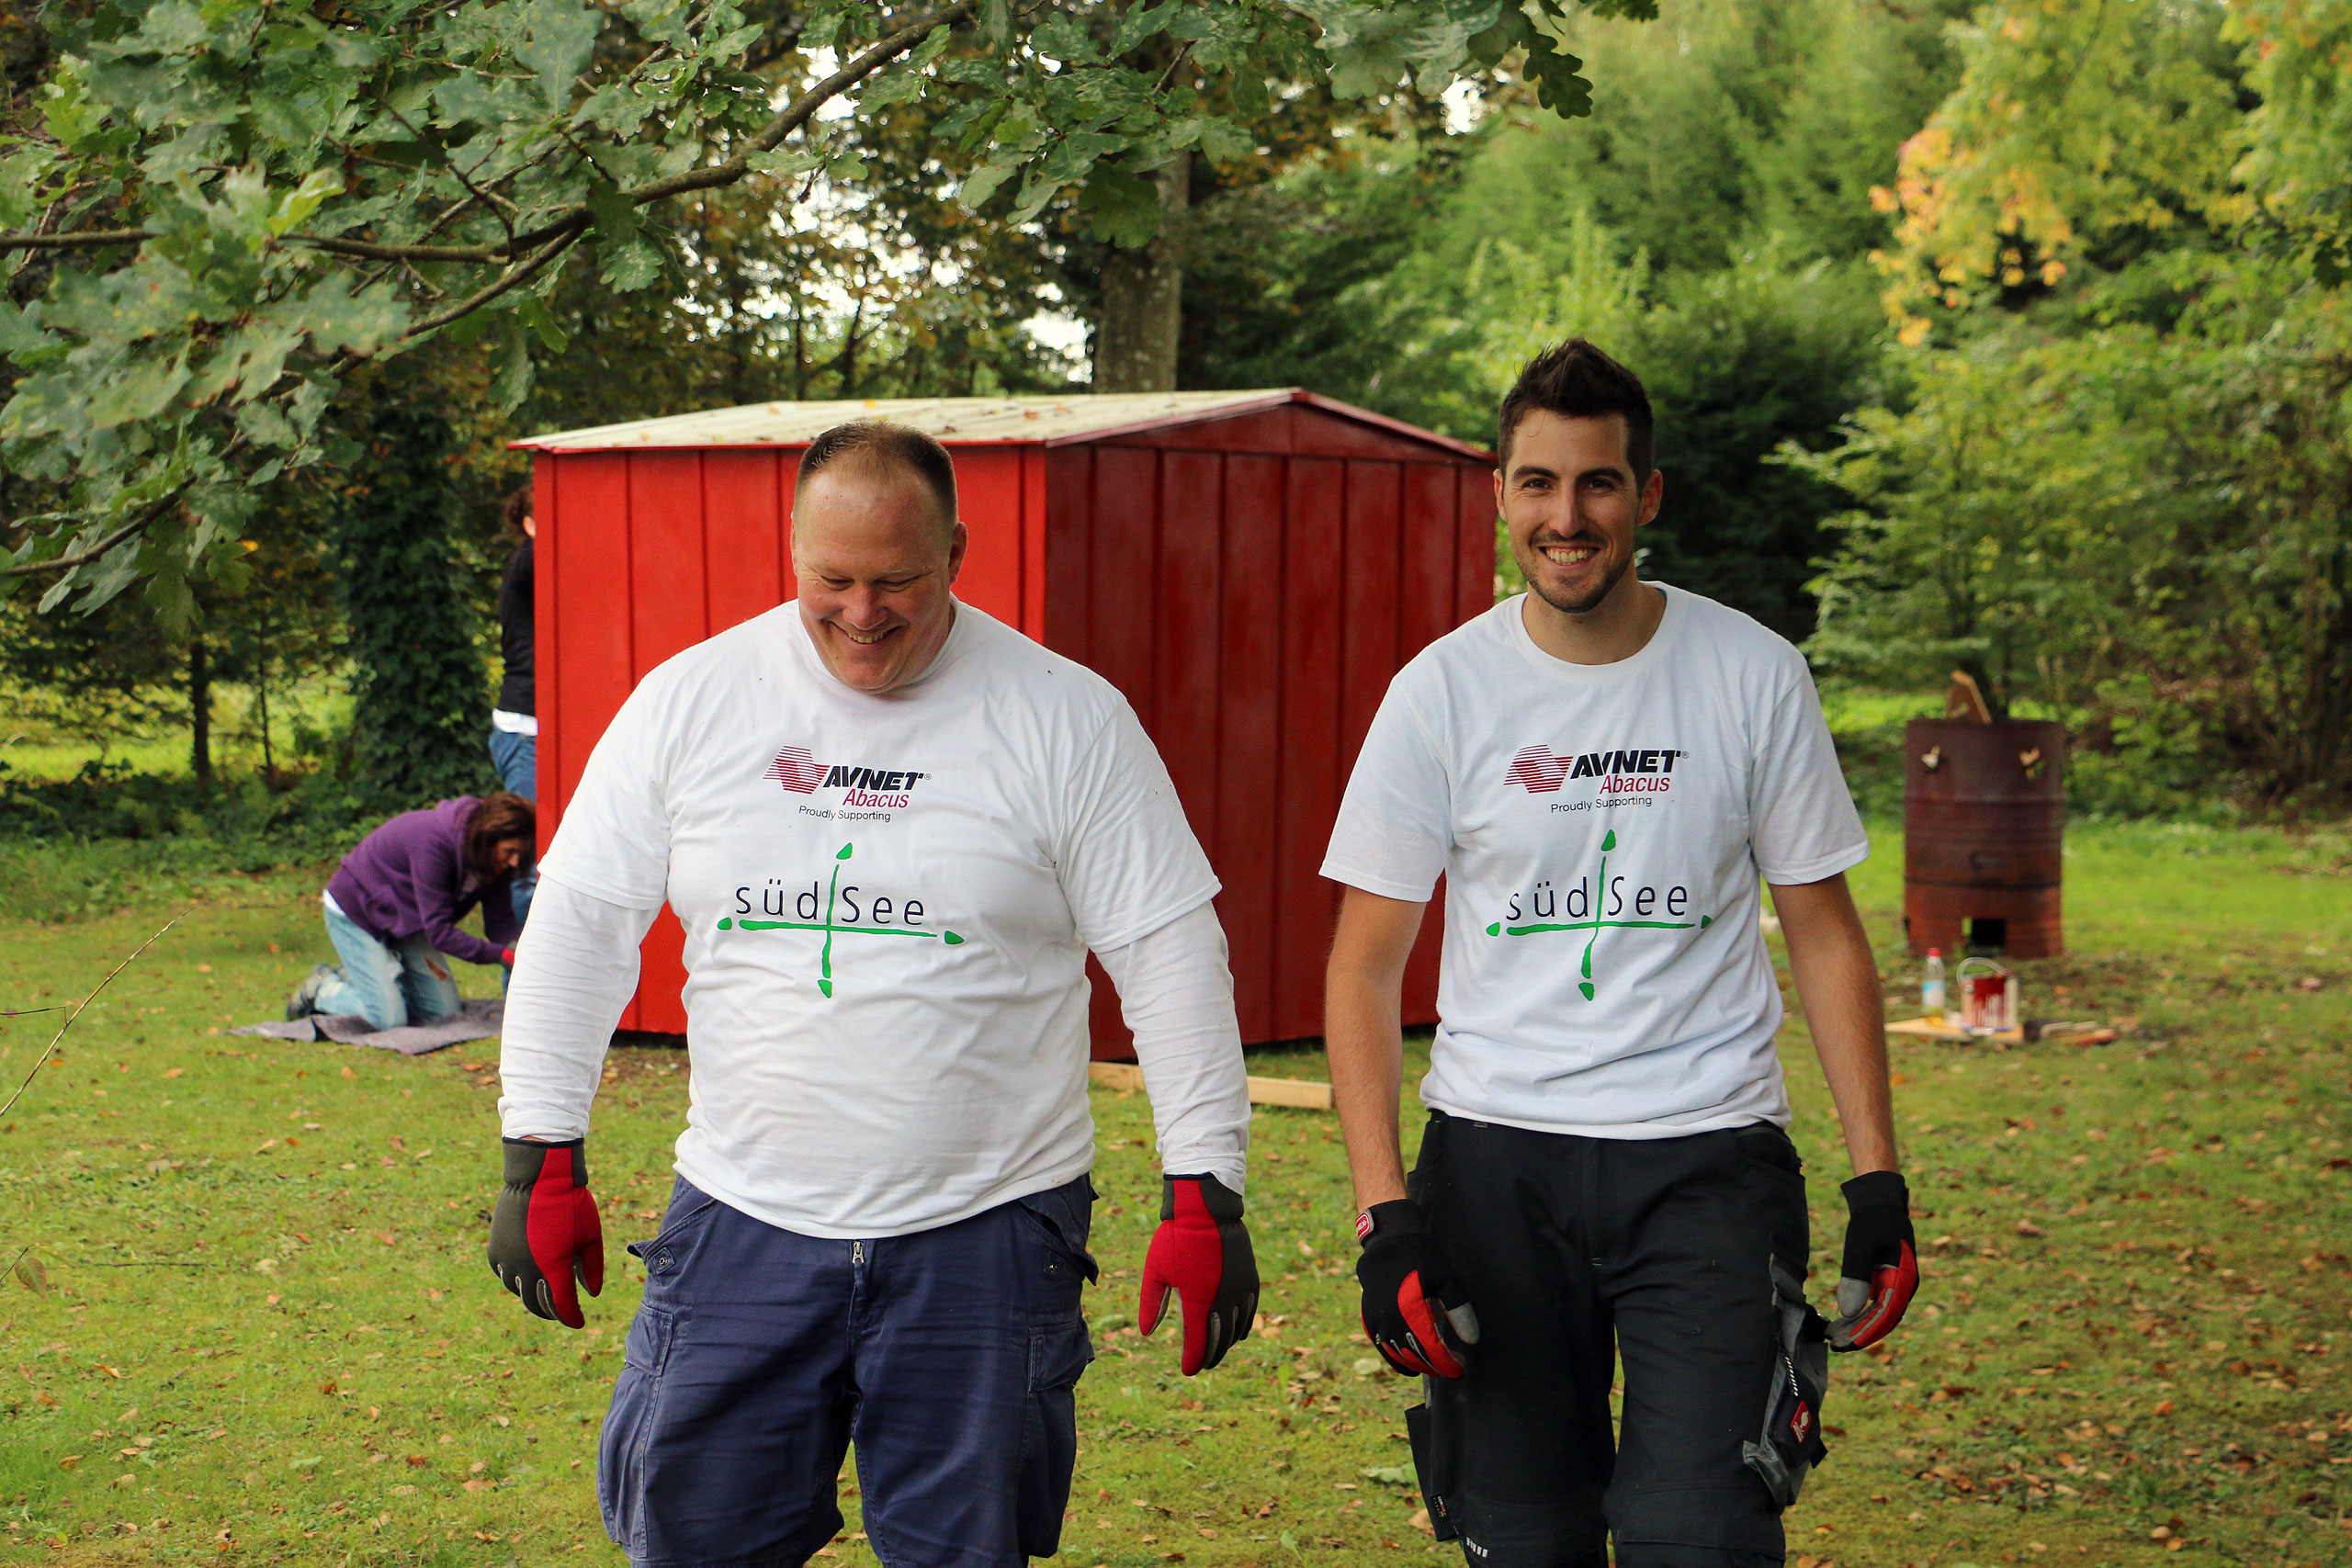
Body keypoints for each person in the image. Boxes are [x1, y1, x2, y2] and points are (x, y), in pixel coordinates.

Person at [486, 422, 1260, 1568]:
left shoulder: (1066, 717)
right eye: (832, 579)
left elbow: (1170, 954)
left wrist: (1205, 1193)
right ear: (793, 551)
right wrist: (539, 1156)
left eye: (896, 580)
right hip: (743, 1219)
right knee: (693, 1538)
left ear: (955, 550)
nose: (861, 613)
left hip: (988, 1230)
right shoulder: (690, 702)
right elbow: (581, 925)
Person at [1321, 339, 1917, 1568]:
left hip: (1708, 1161)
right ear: (1499, 494)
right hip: (1495, 1167)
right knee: (1523, 1537)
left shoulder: (1752, 673)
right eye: (1538, 483)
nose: (1566, 517)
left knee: (1700, 1532)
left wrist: (1878, 1184)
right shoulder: (1440, 693)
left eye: (1597, 483)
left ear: (1646, 495)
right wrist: (1387, 1218)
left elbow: (1823, 930)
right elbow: (1363, 967)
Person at [288, 793, 534, 1030]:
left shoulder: (493, 861)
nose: (514, 862)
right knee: (387, 1020)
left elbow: (500, 923)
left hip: (405, 920)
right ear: (488, 838)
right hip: (356, 912)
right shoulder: (434, 844)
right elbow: (440, 933)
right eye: (509, 851)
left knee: (445, 1013)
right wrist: (499, 954)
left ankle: (375, 980)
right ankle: (323, 988)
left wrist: (519, 949)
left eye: (519, 854)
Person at [487, 485, 539, 926]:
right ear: (530, 524)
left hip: (542, 731)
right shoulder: (528, 560)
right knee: (527, 863)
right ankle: (521, 966)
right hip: (524, 733)